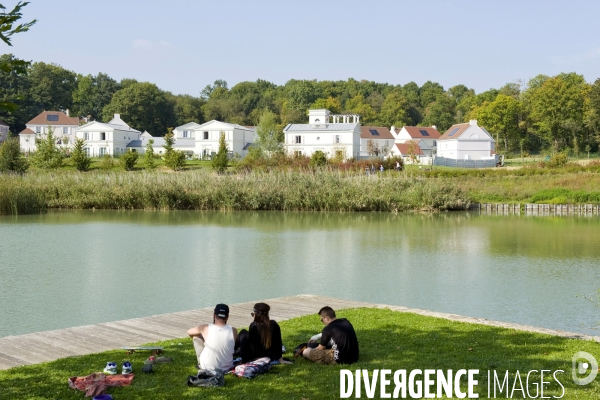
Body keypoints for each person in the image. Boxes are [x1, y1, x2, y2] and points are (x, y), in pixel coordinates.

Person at [187, 303, 237, 371]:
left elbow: (189, 332)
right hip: (227, 367)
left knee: (196, 335)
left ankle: (200, 363)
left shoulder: (205, 328)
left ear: (214, 315)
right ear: (227, 317)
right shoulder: (233, 330)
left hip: (207, 367)